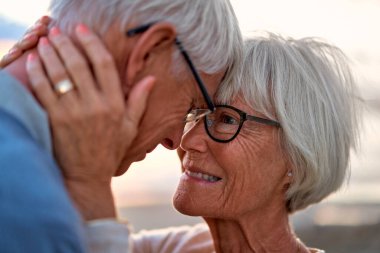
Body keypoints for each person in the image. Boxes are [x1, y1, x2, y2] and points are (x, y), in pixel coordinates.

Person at [4, 26, 361, 251]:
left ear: (298, 161)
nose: (187, 140)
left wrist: (90, 179)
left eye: (225, 120)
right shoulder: (173, 247)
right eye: (194, 111)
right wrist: (15, 90)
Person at [0, 0, 242, 252]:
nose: (175, 141)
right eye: (192, 106)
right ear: (148, 52)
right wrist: (91, 197)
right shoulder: (33, 211)